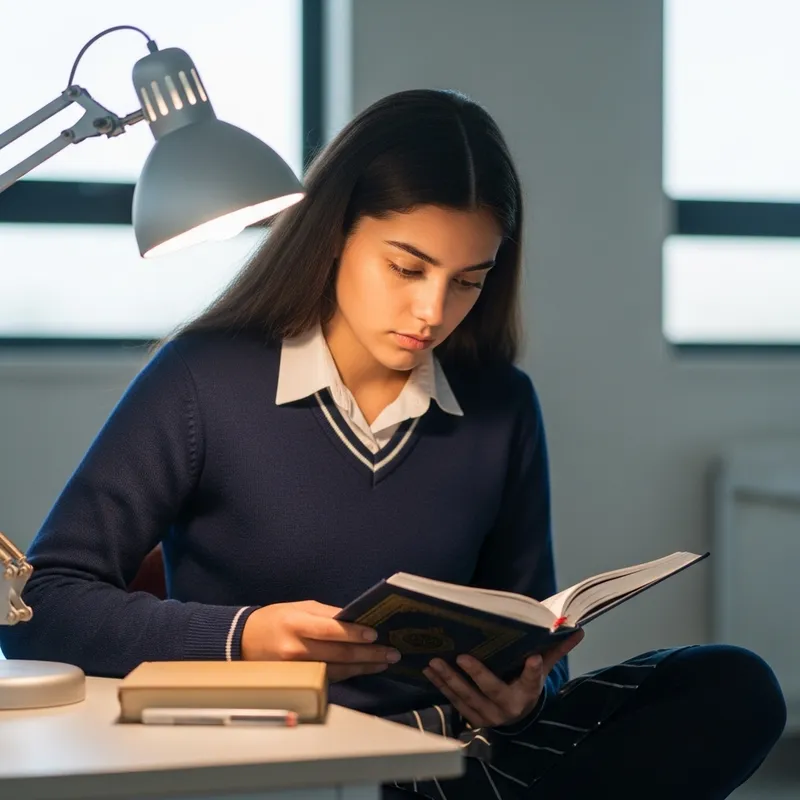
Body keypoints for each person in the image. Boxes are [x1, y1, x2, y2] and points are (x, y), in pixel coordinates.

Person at [0, 89, 785, 799]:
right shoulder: (205, 377)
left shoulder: (501, 405)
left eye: (468, 280)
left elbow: (535, 630)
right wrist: (243, 635)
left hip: (466, 763)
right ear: (335, 234)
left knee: (733, 687)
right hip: (291, 761)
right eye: (406, 267)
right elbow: (41, 604)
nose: (432, 310)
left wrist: (523, 700)